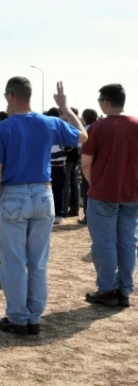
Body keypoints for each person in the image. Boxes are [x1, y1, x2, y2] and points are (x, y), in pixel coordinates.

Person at [0, 79, 86, 336]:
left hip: (13, 196)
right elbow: (83, 137)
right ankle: (34, 317)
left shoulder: (2, 128)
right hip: (43, 194)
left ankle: (18, 317)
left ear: (11, 96)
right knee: (38, 262)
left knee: (14, 261)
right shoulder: (50, 122)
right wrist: (66, 108)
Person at [81, 84, 138, 308]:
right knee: (127, 242)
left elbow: (86, 163)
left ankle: (107, 289)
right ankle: (124, 289)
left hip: (103, 193)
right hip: (132, 194)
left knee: (104, 243)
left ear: (106, 103)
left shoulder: (97, 127)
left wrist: (94, 182)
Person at [78, 108, 99, 225]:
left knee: (87, 190)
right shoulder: (100, 128)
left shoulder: (87, 130)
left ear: (85, 118)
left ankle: (87, 216)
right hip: (100, 166)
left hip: (89, 165)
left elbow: (81, 148)